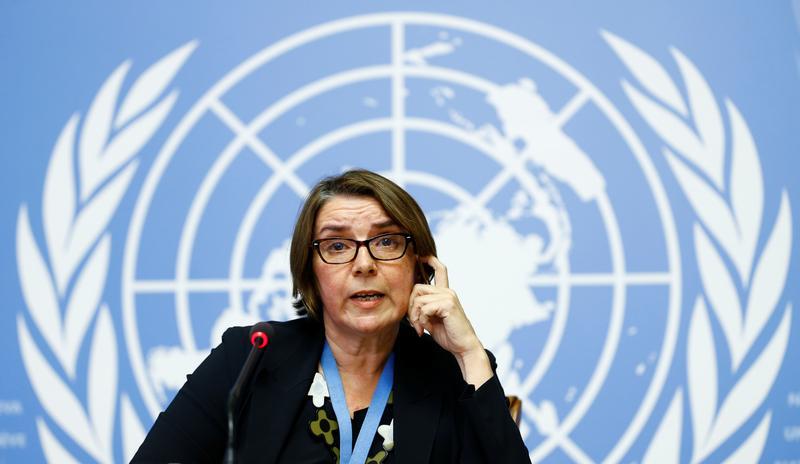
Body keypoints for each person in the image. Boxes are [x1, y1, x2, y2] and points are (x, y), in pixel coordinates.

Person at [133, 169, 531, 463]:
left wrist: (470, 354)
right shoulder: (251, 358)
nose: (364, 264)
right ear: (311, 271)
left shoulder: (455, 373)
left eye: (386, 241)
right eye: (338, 246)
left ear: (420, 264)